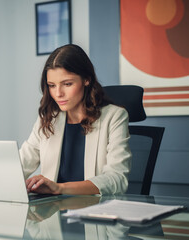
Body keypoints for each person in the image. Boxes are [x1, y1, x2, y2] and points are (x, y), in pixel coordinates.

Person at [20, 44, 131, 196]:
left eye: (67, 84)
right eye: (52, 85)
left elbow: (117, 179)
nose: (58, 93)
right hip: (53, 214)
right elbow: (21, 164)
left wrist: (60, 188)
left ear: (86, 79)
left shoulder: (114, 117)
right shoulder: (48, 118)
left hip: (94, 212)